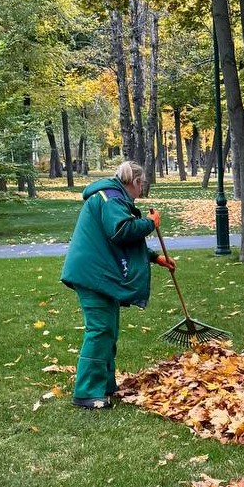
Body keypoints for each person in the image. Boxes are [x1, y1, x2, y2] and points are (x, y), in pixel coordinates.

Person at [60, 161, 175, 410]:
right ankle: (87, 392)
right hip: (92, 274)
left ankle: (104, 385)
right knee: (100, 330)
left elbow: (120, 242)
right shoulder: (111, 197)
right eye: (142, 184)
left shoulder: (112, 196)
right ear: (134, 181)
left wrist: (155, 257)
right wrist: (150, 223)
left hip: (99, 272)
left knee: (108, 329)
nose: (142, 189)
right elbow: (121, 230)